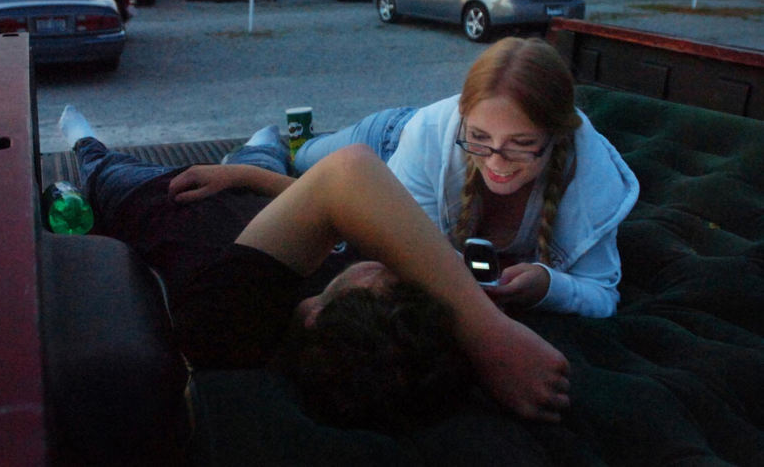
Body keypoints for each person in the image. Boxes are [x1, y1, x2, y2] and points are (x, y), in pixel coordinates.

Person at [58, 105, 571, 429]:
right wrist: (242, 175)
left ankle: (83, 140)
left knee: (100, 163)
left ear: (311, 316)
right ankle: (262, 146)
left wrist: (490, 334)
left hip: (159, 194)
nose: (389, 272)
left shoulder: (232, 321)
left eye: (377, 285)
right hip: (256, 189)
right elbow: (327, 209)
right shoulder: (358, 311)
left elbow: (346, 174)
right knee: (262, 157)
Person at [249, 37, 639, 318]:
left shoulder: (589, 174)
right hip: (387, 137)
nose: (498, 162)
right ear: (462, 119)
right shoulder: (431, 133)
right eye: (480, 139)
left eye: (521, 144)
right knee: (305, 158)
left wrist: (547, 285)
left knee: (309, 168)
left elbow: (602, 294)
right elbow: (402, 251)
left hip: (419, 138)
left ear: (556, 136)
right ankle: (260, 148)